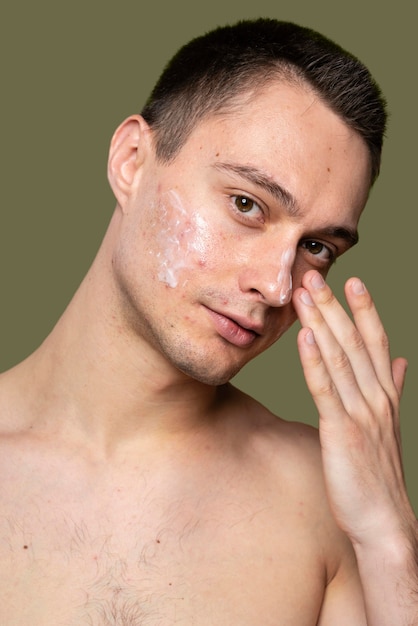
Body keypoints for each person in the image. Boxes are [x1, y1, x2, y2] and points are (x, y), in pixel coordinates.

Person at [0, 17, 416, 625]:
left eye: (318, 247)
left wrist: (389, 539)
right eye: (247, 205)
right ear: (132, 160)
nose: (276, 286)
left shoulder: (323, 503)